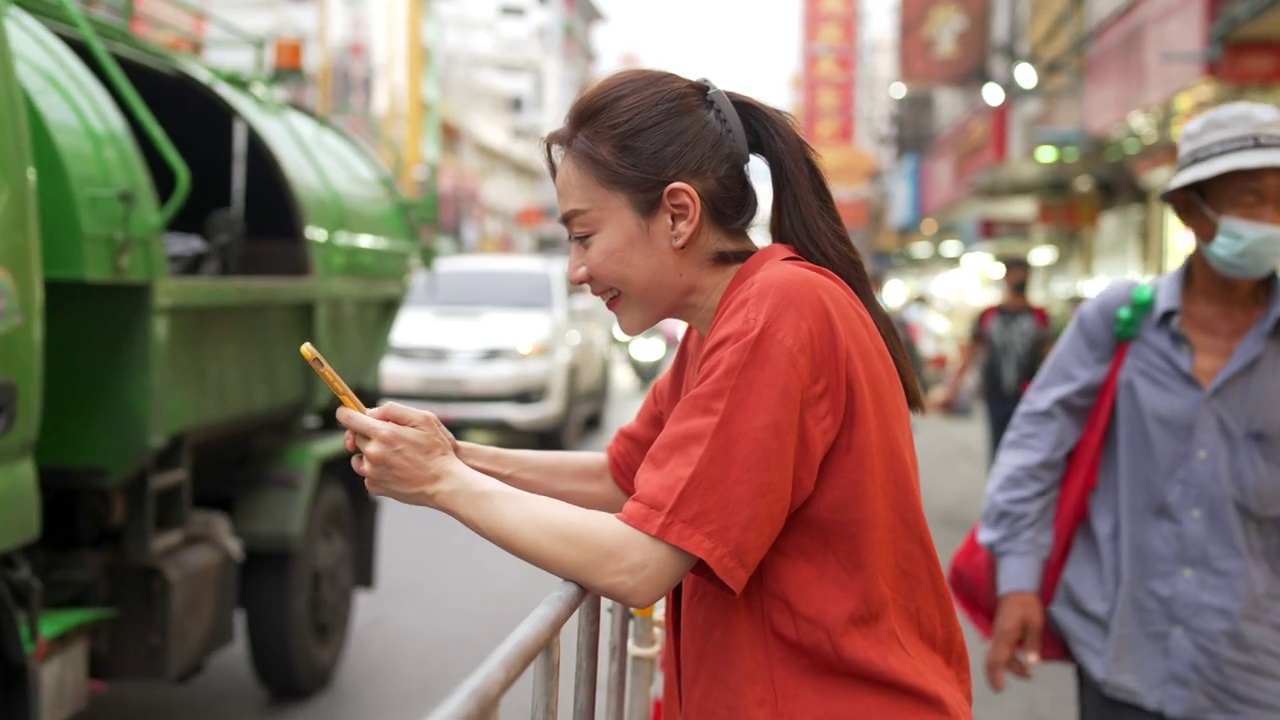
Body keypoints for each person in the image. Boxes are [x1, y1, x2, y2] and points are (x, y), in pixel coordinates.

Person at [336, 70, 973, 718]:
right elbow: (627, 479)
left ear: (677, 213)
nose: (576, 270)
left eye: (583, 235)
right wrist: (453, 455)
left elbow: (639, 563)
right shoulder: (731, 318)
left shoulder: (778, 313)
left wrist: (444, 483)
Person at [976, 100, 1280, 719]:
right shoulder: (1119, 321)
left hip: (1253, 671)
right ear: (1192, 210)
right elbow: (1036, 448)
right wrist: (1018, 584)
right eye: (1252, 199)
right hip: (1120, 656)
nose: (1272, 219)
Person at [935, 256, 1052, 462]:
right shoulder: (989, 315)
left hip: (1028, 394)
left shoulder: (1039, 316)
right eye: (1016, 273)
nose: (1020, 278)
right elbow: (970, 353)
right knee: (998, 451)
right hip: (995, 393)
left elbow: (1051, 357)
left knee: (1025, 452)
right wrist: (952, 389)